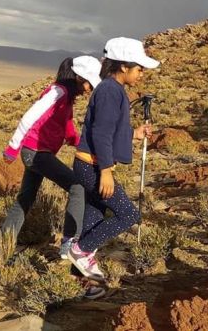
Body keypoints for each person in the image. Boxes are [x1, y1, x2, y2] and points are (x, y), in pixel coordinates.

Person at [67, 37, 158, 281]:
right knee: (128, 214)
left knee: (94, 217)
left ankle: (81, 276)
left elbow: (111, 130)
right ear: (123, 66)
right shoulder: (110, 91)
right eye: (139, 69)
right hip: (93, 166)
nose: (141, 74)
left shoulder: (112, 90)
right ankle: (80, 251)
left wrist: (134, 134)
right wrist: (106, 170)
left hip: (90, 164)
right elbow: (101, 133)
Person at [1, 55, 101, 258]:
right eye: (90, 84)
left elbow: (68, 130)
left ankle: (3, 243)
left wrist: (86, 145)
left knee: (25, 198)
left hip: (37, 152)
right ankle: (70, 243)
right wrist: (12, 148)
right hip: (36, 152)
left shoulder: (66, 99)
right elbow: (29, 117)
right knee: (77, 187)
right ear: (80, 78)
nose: (89, 89)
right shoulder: (58, 92)